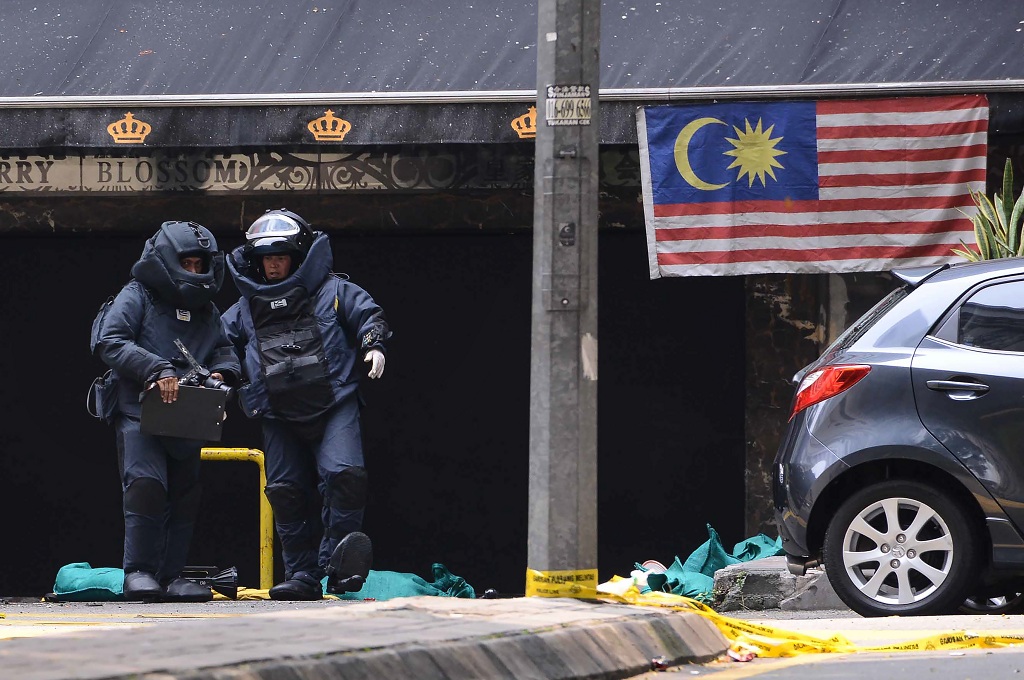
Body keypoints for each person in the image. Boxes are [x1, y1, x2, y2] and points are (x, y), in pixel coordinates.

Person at [221, 209, 390, 601]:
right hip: (277, 413)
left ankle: (339, 568)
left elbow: (368, 315)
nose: (273, 264)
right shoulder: (247, 307)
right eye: (266, 258)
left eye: (280, 256)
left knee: (344, 477)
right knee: (284, 490)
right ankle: (301, 574)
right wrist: (218, 380)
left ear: (297, 256)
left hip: (334, 405)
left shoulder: (332, 292)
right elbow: (218, 344)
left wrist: (373, 344)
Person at [92, 220, 240, 602]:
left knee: (185, 494)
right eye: (186, 264)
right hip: (138, 412)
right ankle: (138, 572)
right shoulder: (138, 295)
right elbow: (110, 341)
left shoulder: (207, 310)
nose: (194, 271)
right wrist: (156, 367)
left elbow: (224, 349)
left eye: (199, 265)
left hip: (187, 417)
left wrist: (224, 372)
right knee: (146, 487)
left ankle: (172, 575)